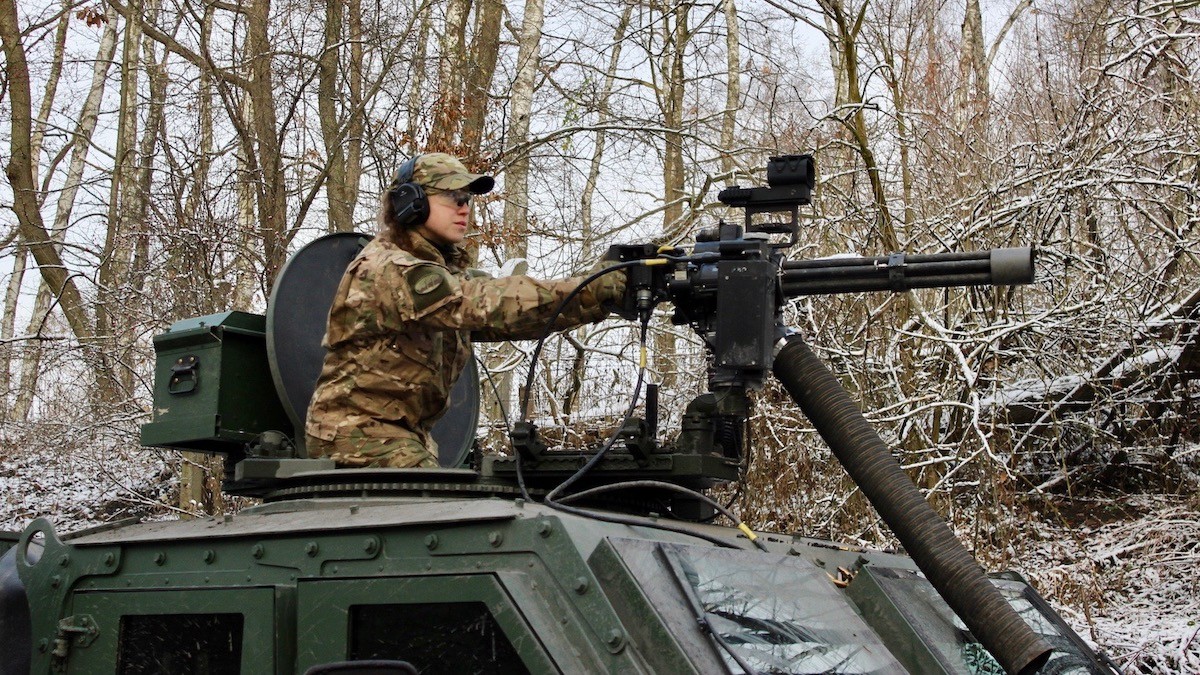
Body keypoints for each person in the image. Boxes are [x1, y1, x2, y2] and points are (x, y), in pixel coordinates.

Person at [304, 153, 625, 469]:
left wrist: (593, 292)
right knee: (440, 510)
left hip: (401, 438)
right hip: (354, 435)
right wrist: (587, 287)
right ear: (410, 203)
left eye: (467, 199)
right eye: (451, 197)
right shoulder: (389, 268)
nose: (464, 208)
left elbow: (511, 316)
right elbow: (485, 301)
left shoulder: (441, 275)